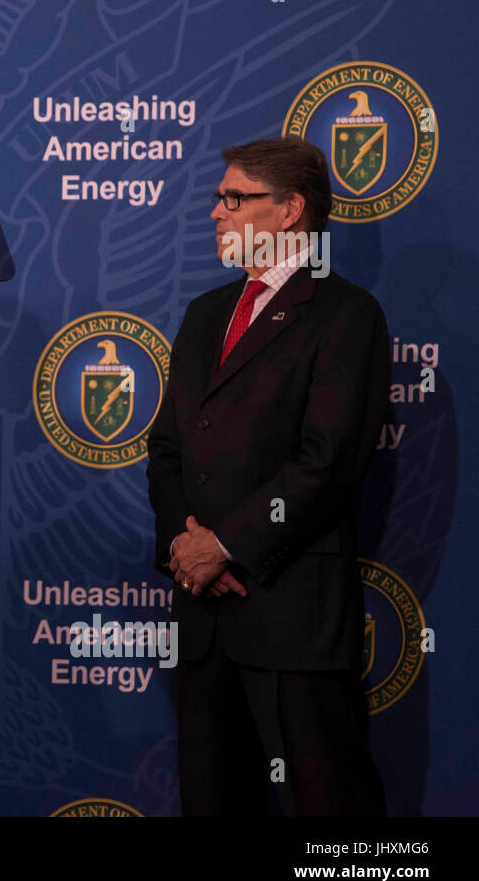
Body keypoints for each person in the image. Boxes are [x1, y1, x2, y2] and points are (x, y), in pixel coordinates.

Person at [146, 137, 389, 816]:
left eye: (234, 198)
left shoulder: (346, 316)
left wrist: (226, 545)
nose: (215, 213)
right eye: (219, 198)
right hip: (204, 617)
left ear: (289, 212)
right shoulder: (203, 316)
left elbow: (328, 461)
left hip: (291, 614)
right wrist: (184, 547)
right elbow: (166, 450)